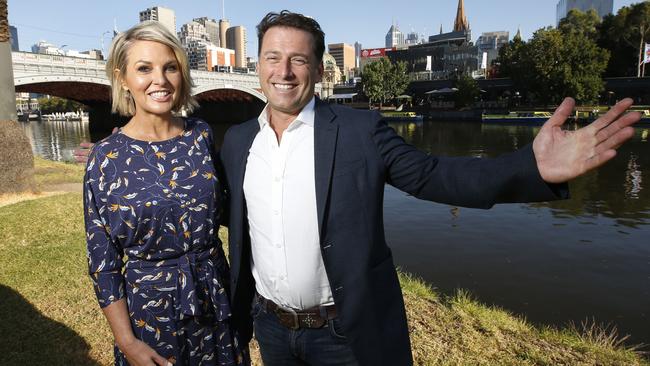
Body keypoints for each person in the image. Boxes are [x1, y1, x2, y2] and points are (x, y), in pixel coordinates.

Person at [218, 10, 641, 366]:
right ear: (257, 64)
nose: (284, 71)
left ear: (318, 68)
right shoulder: (239, 142)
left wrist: (532, 168)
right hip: (270, 327)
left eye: (298, 59)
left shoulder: (358, 131)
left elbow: (434, 175)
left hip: (343, 333)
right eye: (272, 57)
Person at [83, 21, 248, 366]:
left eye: (170, 67)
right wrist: (127, 341)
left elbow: (231, 212)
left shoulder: (200, 136)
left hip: (214, 300)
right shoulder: (104, 158)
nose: (160, 79)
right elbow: (104, 263)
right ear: (123, 78)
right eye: (144, 68)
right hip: (150, 315)